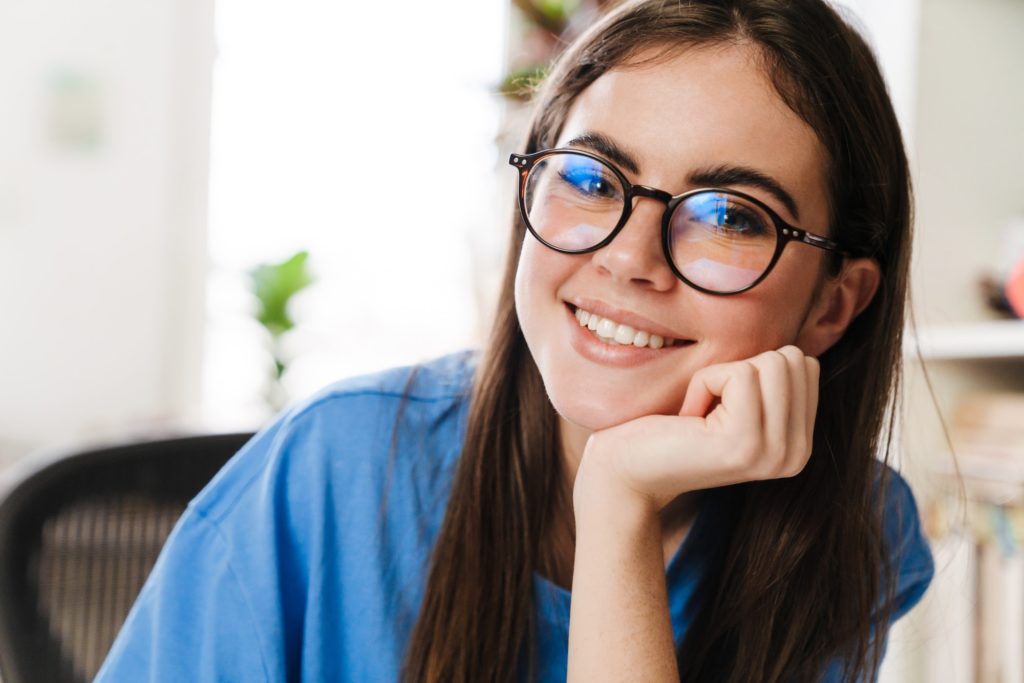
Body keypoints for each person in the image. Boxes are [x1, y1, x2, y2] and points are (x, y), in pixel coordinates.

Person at [94, 0, 935, 681]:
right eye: (591, 177)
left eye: (726, 215)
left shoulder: (853, 529)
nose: (629, 256)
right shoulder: (330, 469)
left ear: (834, 304)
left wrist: (618, 504)